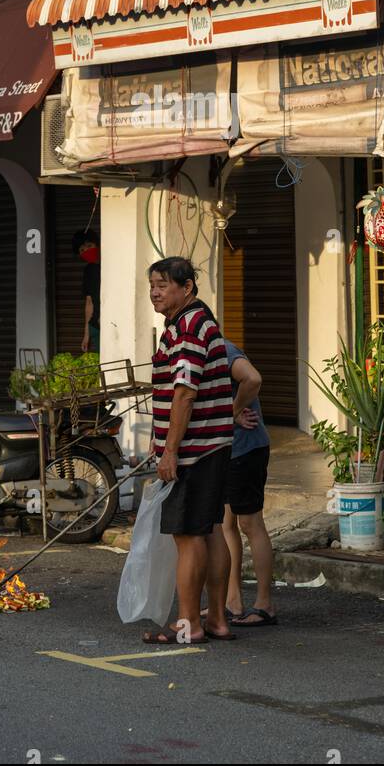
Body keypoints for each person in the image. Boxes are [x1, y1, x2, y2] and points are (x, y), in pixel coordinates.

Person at [143, 256, 234, 645]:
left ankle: (188, 623)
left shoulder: (191, 326)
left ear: (187, 288)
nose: (155, 292)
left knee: (188, 535)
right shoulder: (188, 323)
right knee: (210, 530)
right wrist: (158, 436)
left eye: (163, 284)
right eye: (152, 285)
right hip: (209, 444)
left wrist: (170, 451)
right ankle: (215, 619)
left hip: (195, 450)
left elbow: (185, 391)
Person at [222, 340, 277, 627]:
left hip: (247, 450)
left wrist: (233, 410)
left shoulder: (224, 350)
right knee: (225, 524)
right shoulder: (198, 350)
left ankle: (264, 604)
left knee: (250, 524)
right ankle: (232, 601)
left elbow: (253, 379)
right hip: (228, 452)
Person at [73, 228, 101, 353]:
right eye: (82, 250)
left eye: (89, 246)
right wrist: (86, 334)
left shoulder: (111, 265)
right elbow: (89, 303)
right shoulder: (88, 271)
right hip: (95, 327)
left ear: (97, 244)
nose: (87, 251)